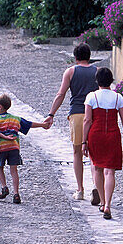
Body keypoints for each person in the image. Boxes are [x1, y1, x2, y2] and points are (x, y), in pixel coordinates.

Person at [46, 43, 99, 200]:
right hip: (94, 114)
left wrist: (51, 114)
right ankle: (97, 186)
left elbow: (61, 94)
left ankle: (80, 189)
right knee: (95, 153)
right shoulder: (97, 71)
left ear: (75, 58)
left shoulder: (70, 72)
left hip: (77, 114)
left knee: (77, 153)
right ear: (89, 56)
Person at [82, 66, 123, 220]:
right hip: (112, 135)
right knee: (109, 171)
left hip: (96, 135)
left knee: (97, 169)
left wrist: (84, 141)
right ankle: (108, 205)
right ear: (111, 80)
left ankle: (103, 202)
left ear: (97, 80)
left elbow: (87, 120)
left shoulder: (91, 97)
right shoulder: (118, 98)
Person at [0, 93, 51, 204]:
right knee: (14, 170)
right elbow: (29, 124)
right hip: (14, 147)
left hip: (1, 148)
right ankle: (16, 194)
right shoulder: (15, 119)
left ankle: (4, 187)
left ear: (0, 107)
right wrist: (43, 125)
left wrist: (4, 137)